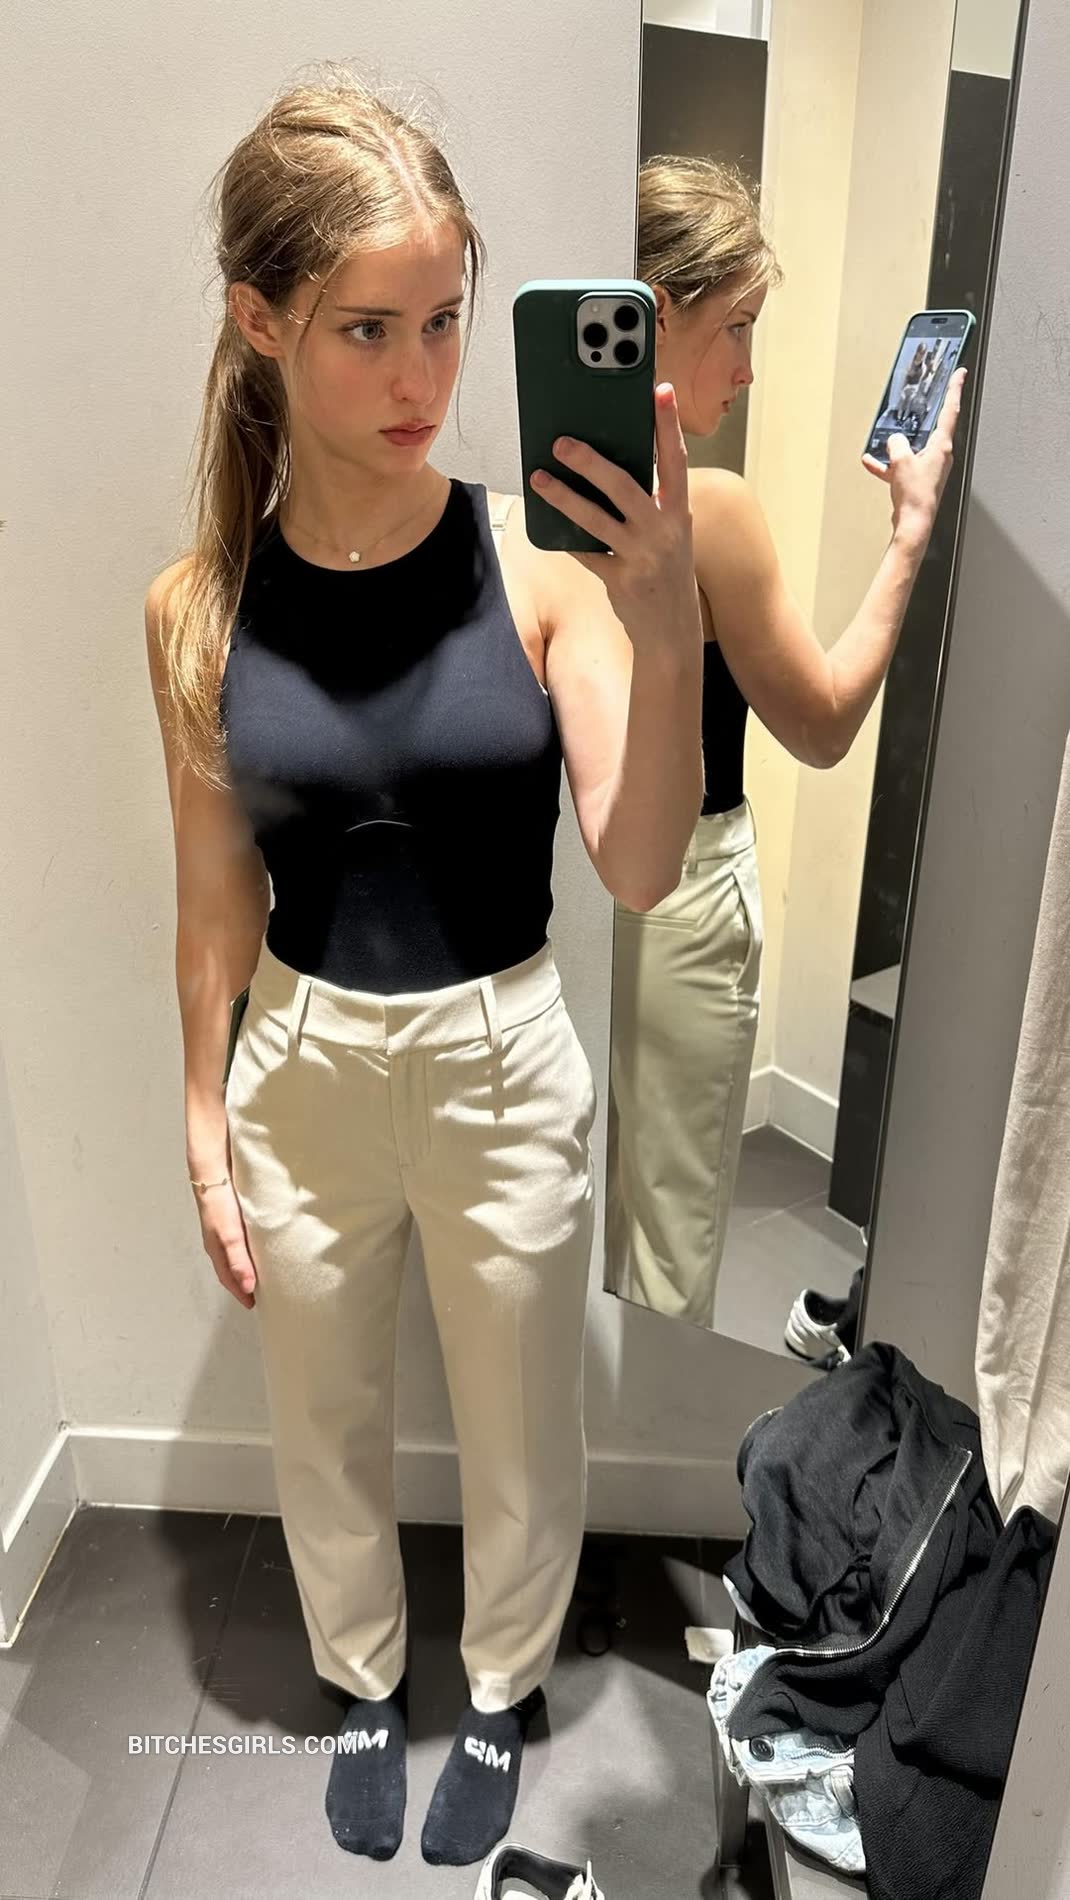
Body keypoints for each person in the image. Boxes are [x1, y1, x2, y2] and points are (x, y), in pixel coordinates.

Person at [143, 72, 704, 1871]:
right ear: (262, 322)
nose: (423, 378)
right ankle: (367, 1681)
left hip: (500, 1057)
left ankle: (503, 1686)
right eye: (369, 330)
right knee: (322, 1418)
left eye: (446, 321)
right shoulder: (197, 608)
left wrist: (668, 625)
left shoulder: (541, 568)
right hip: (299, 1063)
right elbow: (213, 896)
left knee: (525, 1424)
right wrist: (202, 1119)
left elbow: (636, 862)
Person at [604, 154, 964, 1330]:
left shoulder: (537, 490)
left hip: (553, 892)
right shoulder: (708, 509)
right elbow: (819, 722)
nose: (749, 366)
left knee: (577, 1214)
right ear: (656, 317)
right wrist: (906, 535)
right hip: (677, 900)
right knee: (666, 1245)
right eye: (738, 326)